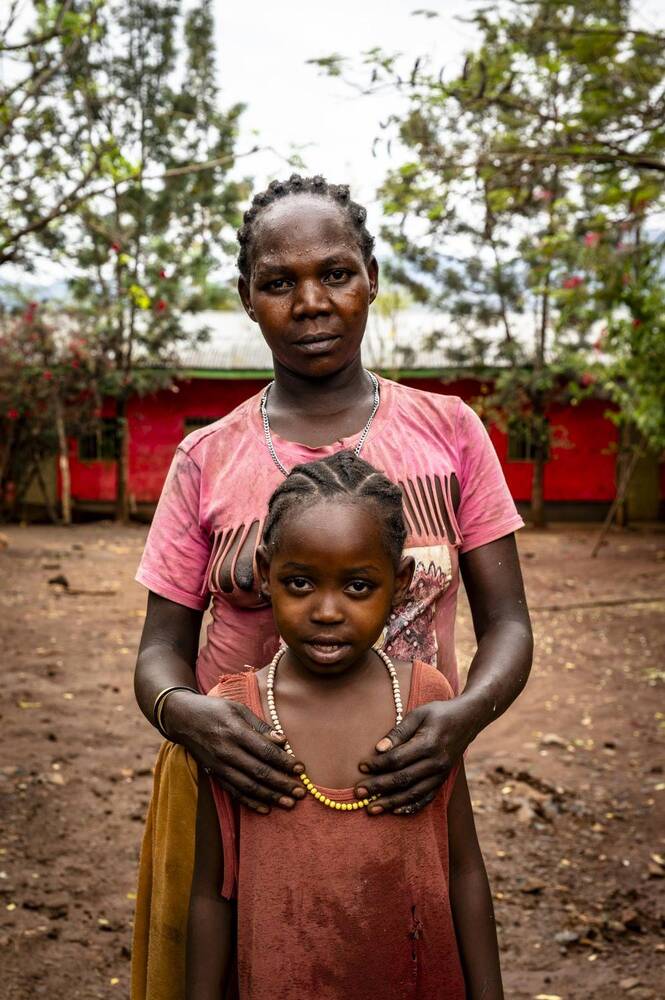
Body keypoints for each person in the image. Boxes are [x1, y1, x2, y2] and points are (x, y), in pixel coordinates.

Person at [131, 175, 532, 998]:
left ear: (371, 278)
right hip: (243, 792)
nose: (310, 302)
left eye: (335, 273)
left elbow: (511, 628)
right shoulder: (206, 458)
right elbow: (159, 653)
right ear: (248, 298)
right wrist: (190, 718)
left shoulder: (449, 431)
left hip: (404, 780)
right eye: (279, 282)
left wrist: (458, 719)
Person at [186, 451, 503, 1000]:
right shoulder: (234, 717)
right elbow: (211, 894)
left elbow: (464, 869)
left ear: (400, 582)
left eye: (358, 586)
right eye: (300, 582)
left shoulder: (427, 699)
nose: (327, 611)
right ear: (265, 575)